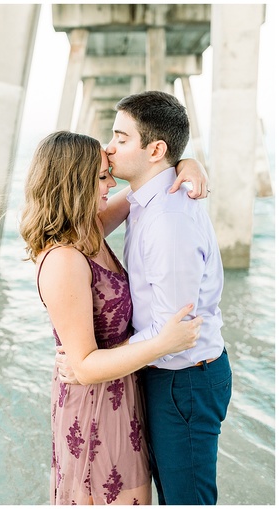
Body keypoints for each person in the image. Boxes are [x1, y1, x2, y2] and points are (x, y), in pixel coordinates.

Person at [19, 130, 207, 505]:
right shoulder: (64, 260)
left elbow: (145, 188)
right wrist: (161, 344)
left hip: (122, 393)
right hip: (95, 408)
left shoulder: (89, 230)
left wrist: (186, 164)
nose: (112, 183)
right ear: (74, 181)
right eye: (102, 176)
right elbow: (84, 366)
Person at [102, 91, 232, 505]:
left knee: (186, 500)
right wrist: (184, 161)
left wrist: (101, 362)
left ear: (155, 149)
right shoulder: (146, 199)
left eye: (121, 138)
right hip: (169, 373)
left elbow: (175, 330)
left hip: (184, 378)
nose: (109, 147)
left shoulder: (167, 219)